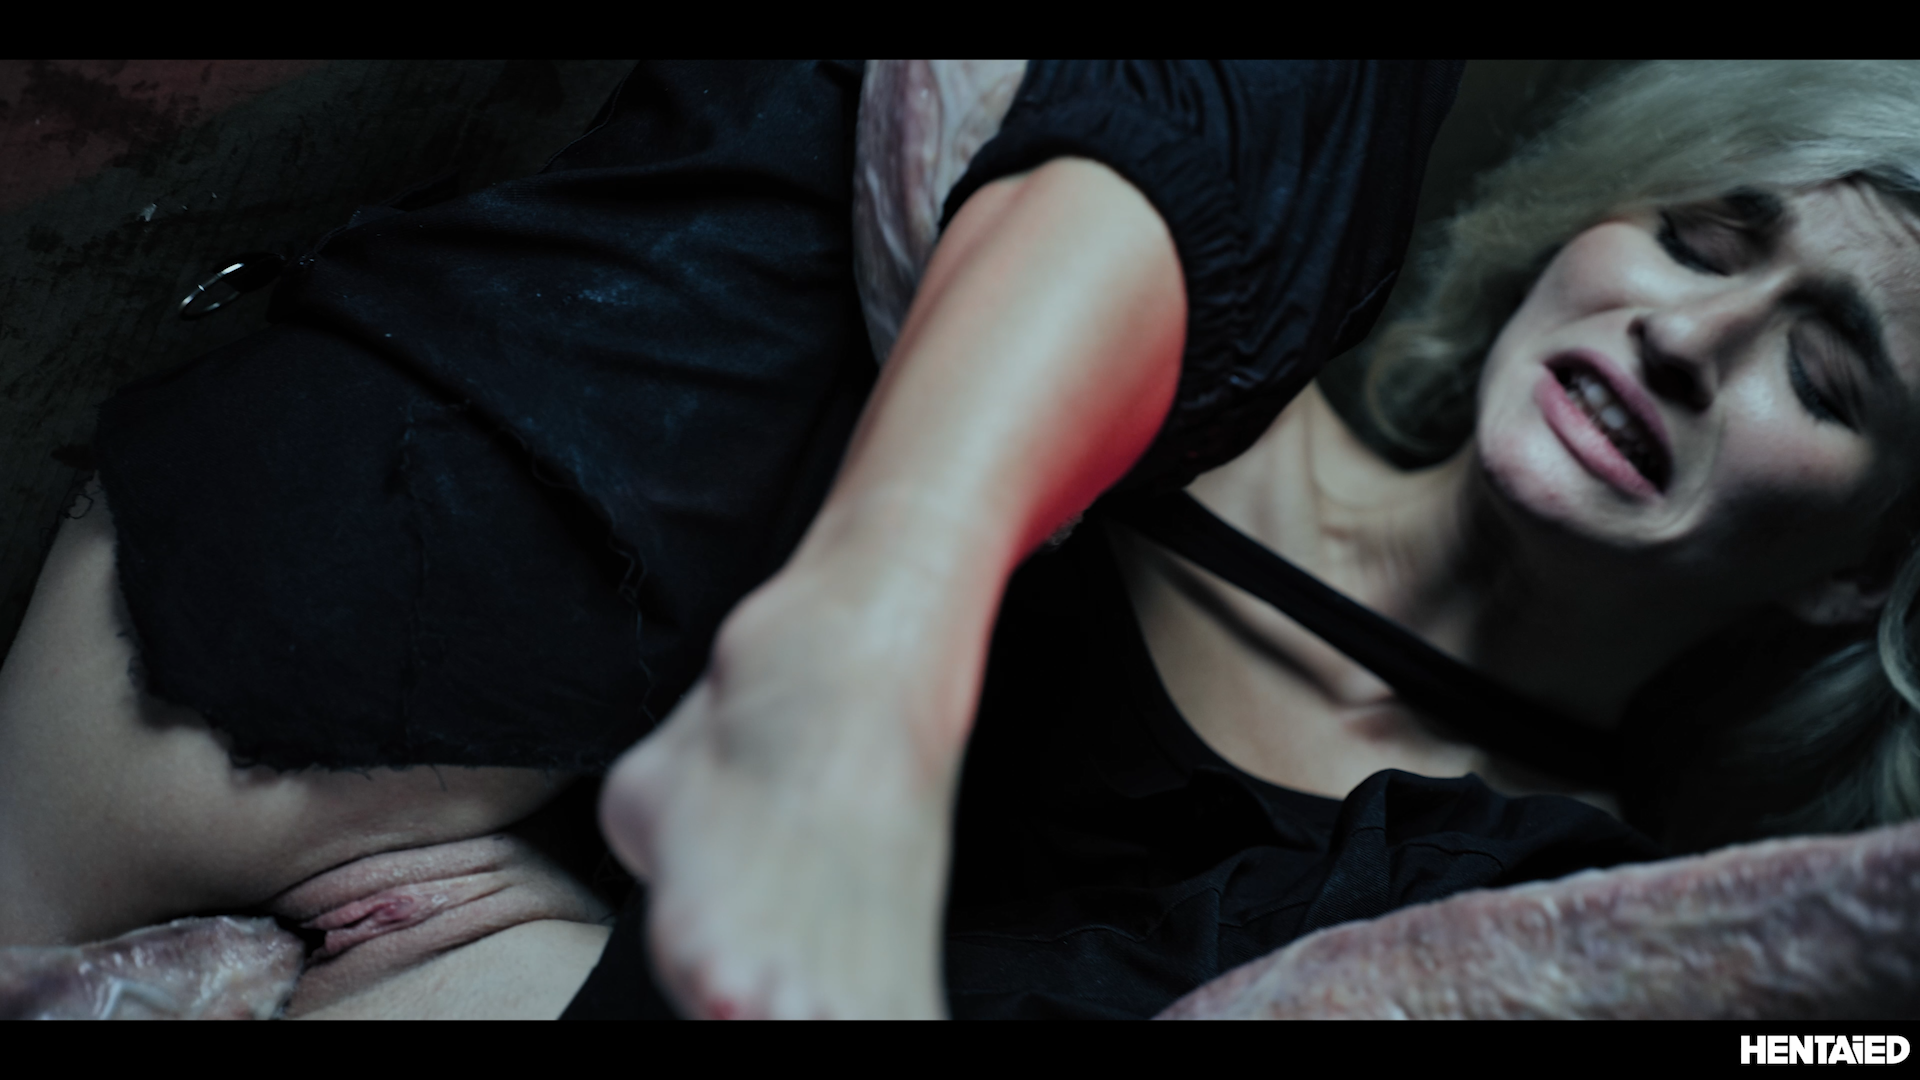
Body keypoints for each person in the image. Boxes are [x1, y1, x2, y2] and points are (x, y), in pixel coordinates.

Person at [1, 60, 1917, 1021]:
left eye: (1823, 377)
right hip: (320, 634)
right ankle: (862, 657)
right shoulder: (1283, 265)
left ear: (1862, 570)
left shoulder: (1501, 868)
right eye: (1700, 239)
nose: (1690, 334)